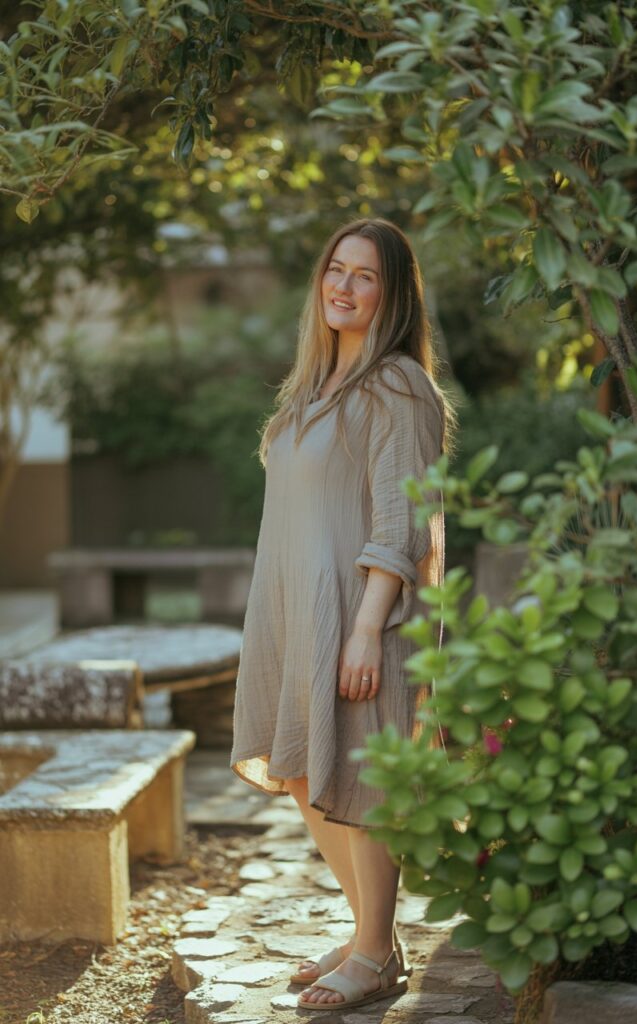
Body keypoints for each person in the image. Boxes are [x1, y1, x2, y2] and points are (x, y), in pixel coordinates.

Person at [230, 217, 452, 1010]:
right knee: (298, 769)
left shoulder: (399, 385)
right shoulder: (311, 387)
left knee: (359, 786)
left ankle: (370, 951)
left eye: (365, 276)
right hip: (293, 610)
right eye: (336, 268)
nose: (343, 286)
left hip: (363, 615)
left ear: (392, 296)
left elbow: (403, 518)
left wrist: (366, 625)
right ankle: (373, 937)